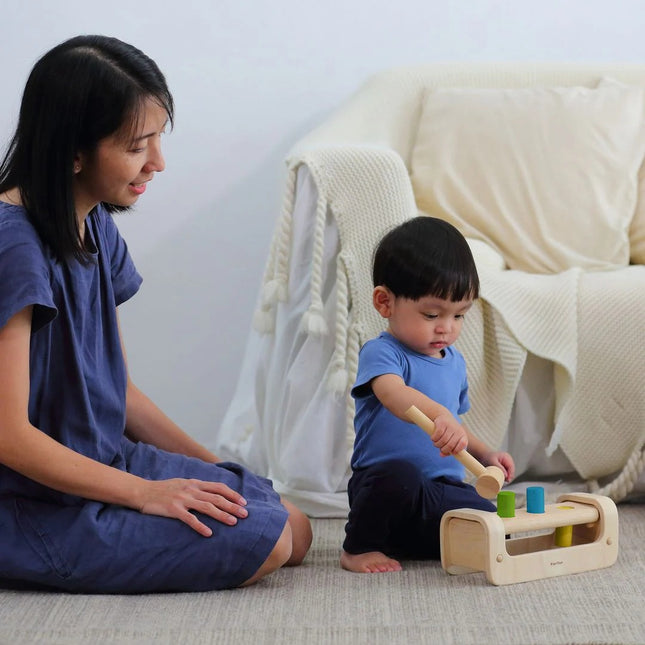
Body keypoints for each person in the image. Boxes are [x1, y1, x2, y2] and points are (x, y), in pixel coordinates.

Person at [0, 35, 311, 593]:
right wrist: (148, 494)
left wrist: (217, 472)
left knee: (293, 523)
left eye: (158, 141)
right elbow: (9, 437)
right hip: (32, 503)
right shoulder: (13, 248)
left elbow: (118, 392)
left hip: (105, 462)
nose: (158, 163)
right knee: (268, 540)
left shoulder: (94, 223)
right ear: (73, 150)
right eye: (139, 145)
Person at [340, 216, 515, 573]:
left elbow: (456, 427)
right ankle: (360, 547)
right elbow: (394, 394)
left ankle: (423, 541)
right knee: (397, 477)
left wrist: (486, 455)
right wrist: (439, 413)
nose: (447, 328)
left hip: (438, 489)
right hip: (387, 488)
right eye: (432, 313)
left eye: (459, 315)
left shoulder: (454, 362)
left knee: (492, 519)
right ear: (385, 302)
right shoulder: (383, 353)